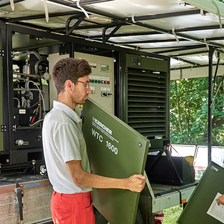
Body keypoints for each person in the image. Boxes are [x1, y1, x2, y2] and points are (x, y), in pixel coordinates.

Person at [42, 57, 146, 224]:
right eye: (85, 84)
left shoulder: (53, 117)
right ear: (69, 85)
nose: (89, 90)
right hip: (74, 203)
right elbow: (78, 177)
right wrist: (127, 183)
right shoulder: (63, 123)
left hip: (66, 200)